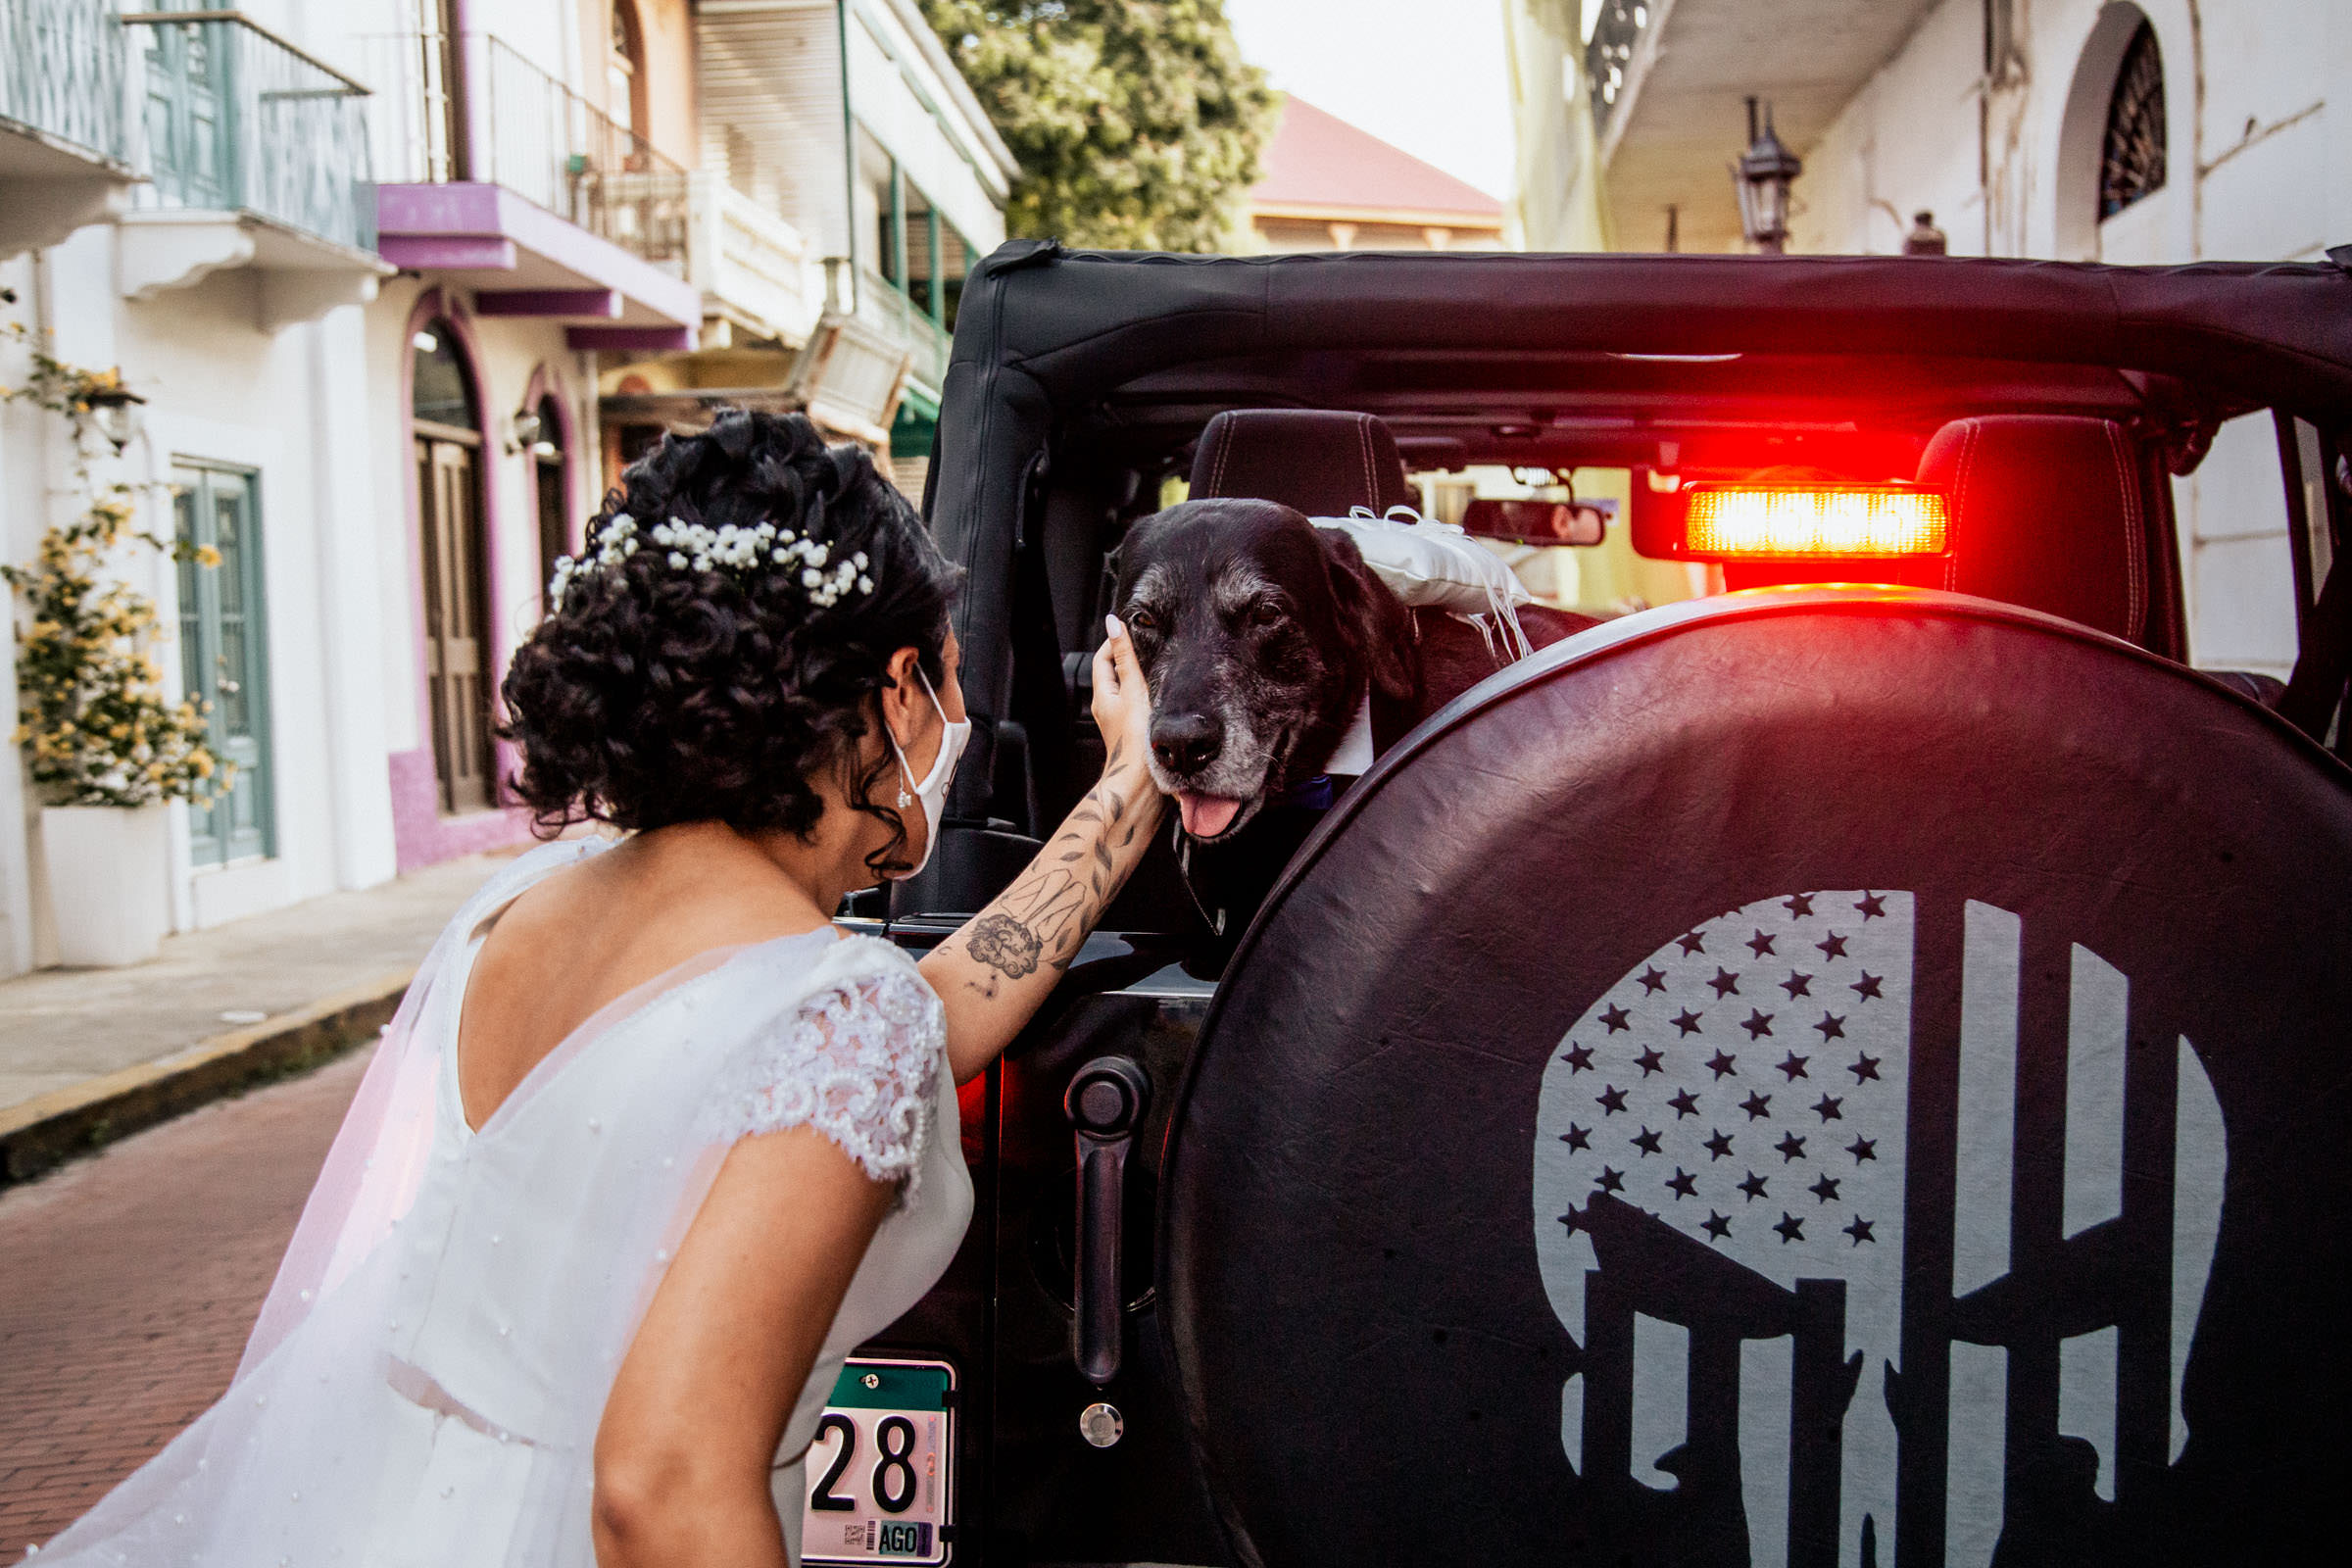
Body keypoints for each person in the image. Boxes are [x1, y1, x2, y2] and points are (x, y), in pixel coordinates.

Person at [32, 411, 1164, 1566]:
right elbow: (663, 1491)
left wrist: (1133, 784)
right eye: (954, 680)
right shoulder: (837, 1012)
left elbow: (932, 1013)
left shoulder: (525, 906)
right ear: (894, 688)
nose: (960, 725)